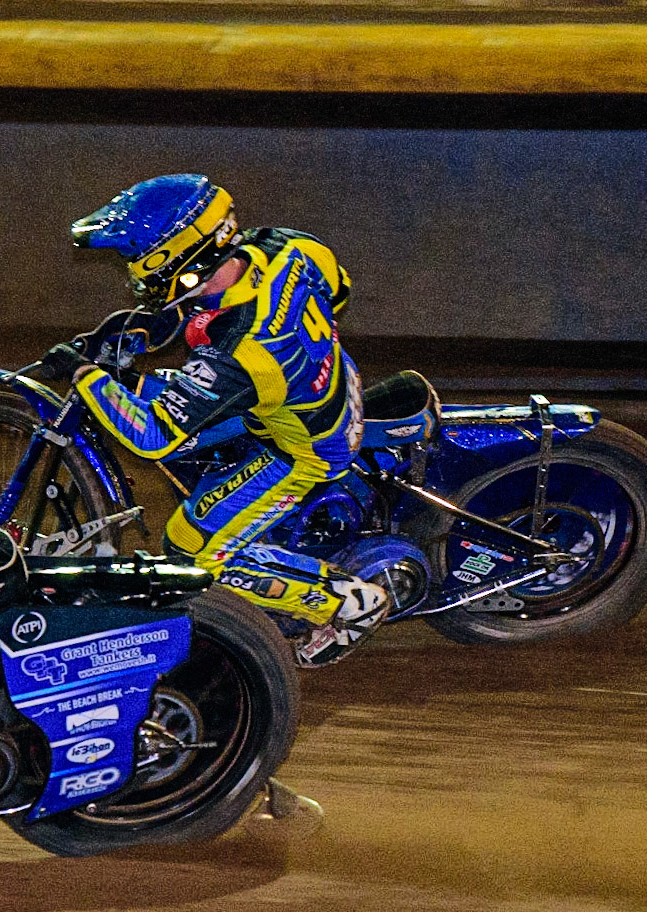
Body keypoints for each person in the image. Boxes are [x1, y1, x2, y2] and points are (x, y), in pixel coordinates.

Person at [41, 174, 388, 667]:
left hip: (302, 448)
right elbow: (340, 287)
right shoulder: (281, 244)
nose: (132, 270)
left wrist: (84, 375)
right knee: (168, 402)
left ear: (180, 256)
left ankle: (347, 604)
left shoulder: (244, 352)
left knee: (189, 554)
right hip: (320, 386)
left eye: (138, 258)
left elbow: (151, 436)